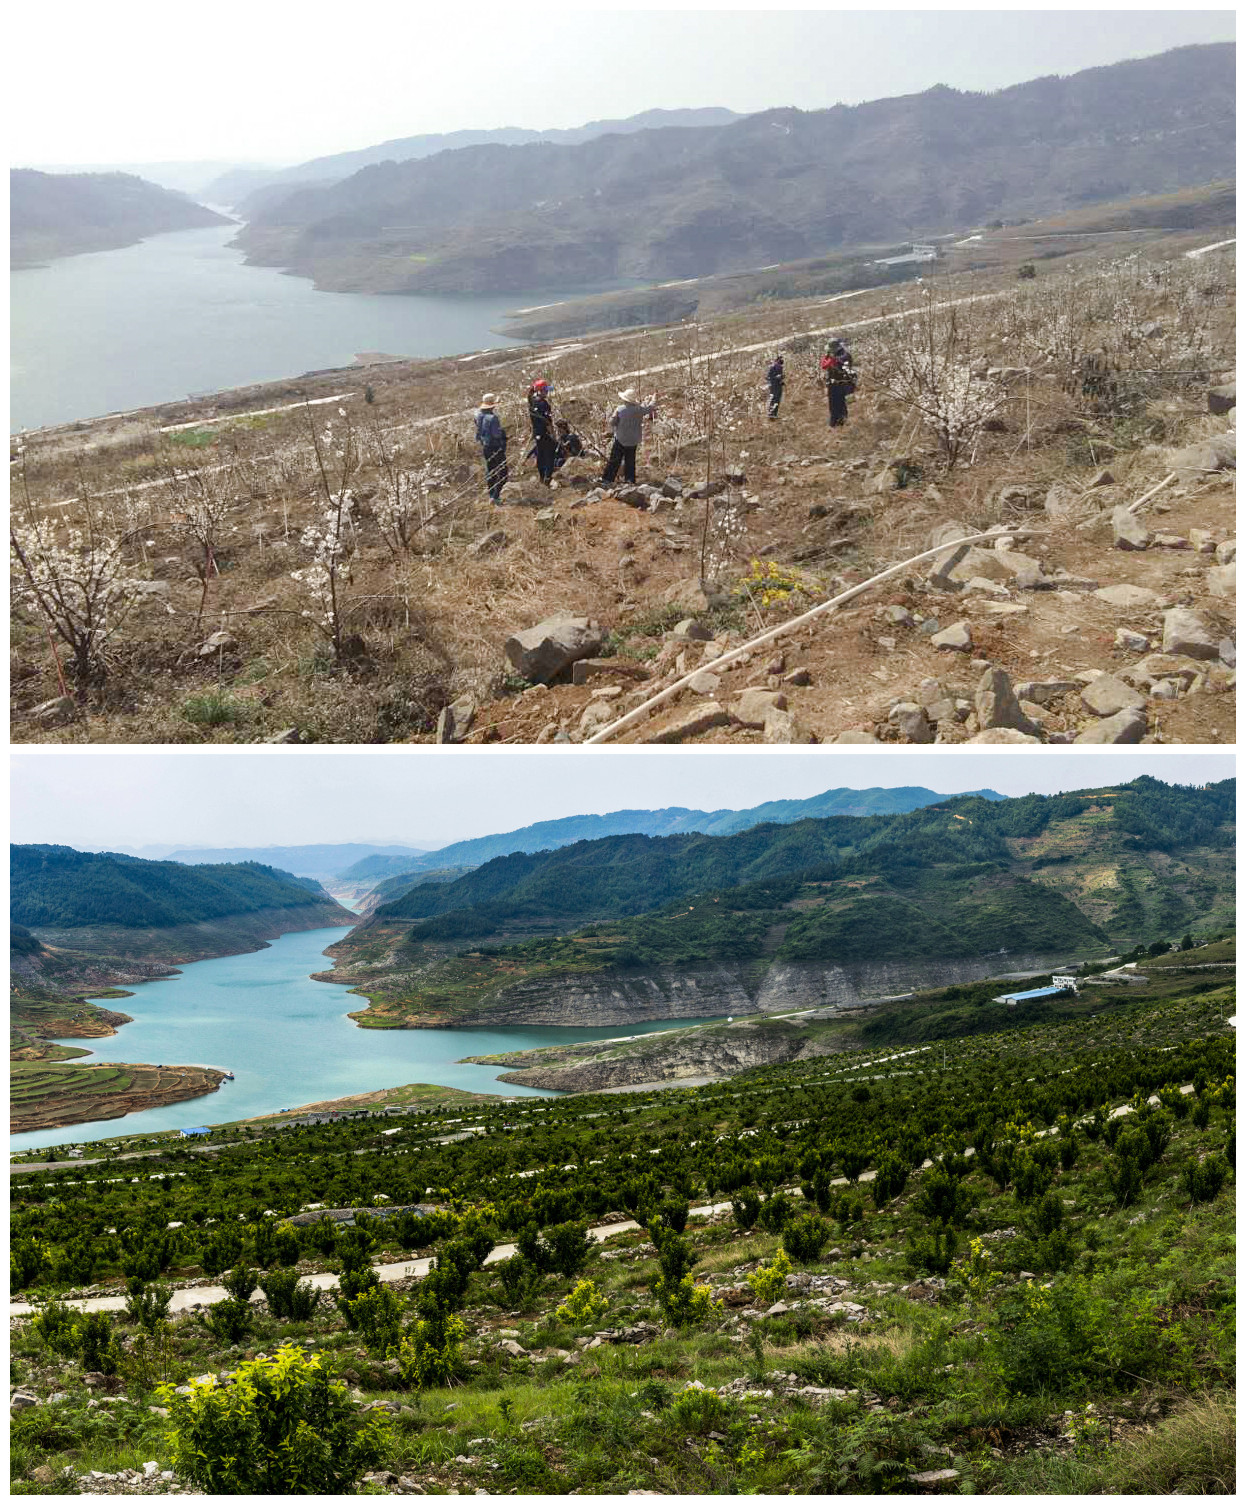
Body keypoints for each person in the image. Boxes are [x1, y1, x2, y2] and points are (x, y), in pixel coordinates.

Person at [602, 387, 658, 486]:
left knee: (615, 460)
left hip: (620, 438)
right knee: (630, 461)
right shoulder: (639, 409)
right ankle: (630, 480)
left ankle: (607, 480)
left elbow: (612, 422)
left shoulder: (620, 409)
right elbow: (650, 408)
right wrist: (654, 398)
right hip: (633, 440)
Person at [474, 393, 508, 504]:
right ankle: (495, 496)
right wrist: (503, 435)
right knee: (503, 472)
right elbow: (497, 434)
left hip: (486, 447)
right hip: (495, 447)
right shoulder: (493, 418)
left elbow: (479, 432)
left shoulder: (479, 416)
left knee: (491, 470)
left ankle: (491, 494)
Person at [527, 378, 557, 485]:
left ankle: (542, 476)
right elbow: (548, 422)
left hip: (537, 433)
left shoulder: (532, 402)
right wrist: (553, 434)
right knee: (550, 454)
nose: (547, 392)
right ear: (541, 390)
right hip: (545, 433)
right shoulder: (543, 404)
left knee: (541, 454)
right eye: (546, 390)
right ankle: (547, 478)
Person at [820, 339, 856, 428]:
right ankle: (837, 422)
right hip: (834, 384)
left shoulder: (844, 356)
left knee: (839, 403)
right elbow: (824, 365)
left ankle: (839, 422)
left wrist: (831, 359)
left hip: (841, 384)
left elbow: (827, 365)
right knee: (834, 404)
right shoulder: (838, 355)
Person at [765, 354, 785, 419]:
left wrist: (781, 380)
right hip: (775, 386)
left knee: (776, 400)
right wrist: (777, 378)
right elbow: (769, 377)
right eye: (781, 359)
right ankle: (772, 414)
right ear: (778, 360)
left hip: (776, 385)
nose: (782, 360)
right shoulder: (775, 366)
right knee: (775, 400)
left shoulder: (778, 366)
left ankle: (774, 414)